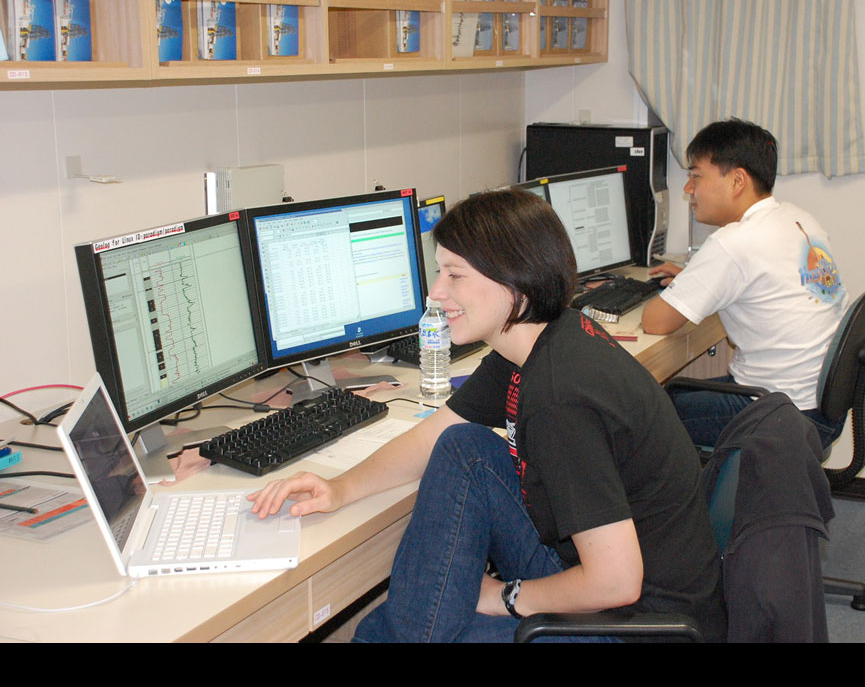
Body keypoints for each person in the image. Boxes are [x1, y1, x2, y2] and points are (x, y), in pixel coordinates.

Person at [249, 189, 726, 643]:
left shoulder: (561, 400)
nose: (436, 293)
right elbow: (434, 436)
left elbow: (616, 582)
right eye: (439, 272)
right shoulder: (542, 337)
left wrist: (503, 597)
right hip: (603, 575)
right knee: (465, 450)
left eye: (455, 275)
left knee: (407, 623)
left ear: (515, 281)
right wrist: (340, 488)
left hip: (636, 624)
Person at [642, 118, 850, 451]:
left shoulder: (734, 243)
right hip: (820, 404)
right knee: (671, 395)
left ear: (738, 180)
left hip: (778, 411)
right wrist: (694, 281)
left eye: (696, 176)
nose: (688, 189)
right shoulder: (798, 218)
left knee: (642, 413)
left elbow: (655, 322)